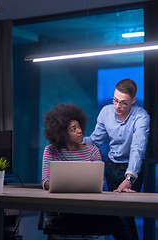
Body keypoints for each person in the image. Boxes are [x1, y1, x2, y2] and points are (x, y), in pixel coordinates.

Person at [41, 103, 127, 240]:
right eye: (73, 129)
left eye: (79, 127)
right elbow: (46, 182)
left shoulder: (92, 151)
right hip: (63, 208)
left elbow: (99, 182)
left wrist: (67, 185)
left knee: (117, 219)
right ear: (62, 133)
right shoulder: (51, 150)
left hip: (88, 206)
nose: (79, 131)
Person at [83, 79, 150, 239]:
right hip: (111, 167)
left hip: (132, 170)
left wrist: (130, 177)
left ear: (133, 101)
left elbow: (138, 148)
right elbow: (95, 140)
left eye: (123, 103)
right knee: (114, 217)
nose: (117, 106)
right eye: (115, 100)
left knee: (125, 216)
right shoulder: (106, 112)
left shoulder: (141, 117)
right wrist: (72, 141)